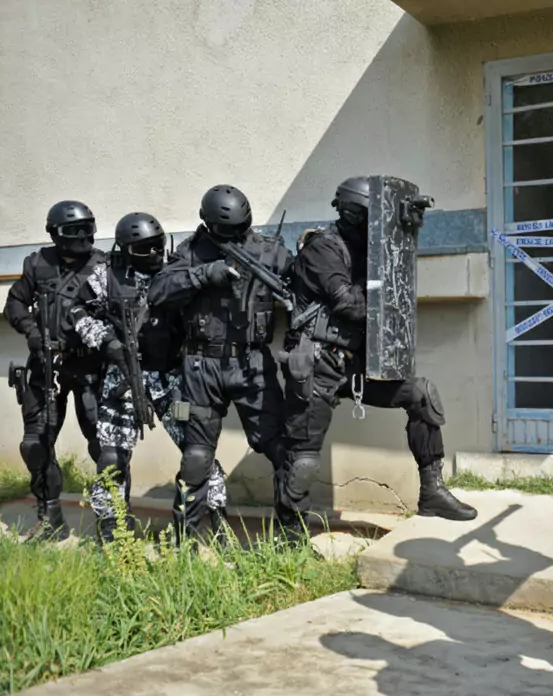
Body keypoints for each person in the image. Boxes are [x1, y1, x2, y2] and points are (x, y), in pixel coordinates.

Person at [276, 176, 477, 542]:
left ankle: (432, 494)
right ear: (355, 213)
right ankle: (289, 535)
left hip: (354, 362)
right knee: (303, 456)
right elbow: (350, 305)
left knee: (421, 395)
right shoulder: (323, 247)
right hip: (318, 362)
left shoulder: (373, 250)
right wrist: (386, 292)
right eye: (374, 216)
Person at [66, 212, 230, 544]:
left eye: (159, 246)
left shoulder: (176, 271)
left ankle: (213, 519)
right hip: (122, 378)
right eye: (145, 250)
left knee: (198, 451)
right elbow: (77, 312)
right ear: (125, 250)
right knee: (111, 456)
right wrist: (106, 341)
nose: (155, 254)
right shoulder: (105, 277)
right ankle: (112, 531)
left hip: (171, 378)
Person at [147, 185, 291, 545]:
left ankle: (291, 537)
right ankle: (185, 544)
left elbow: (304, 287)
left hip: (252, 361)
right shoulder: (191, 251)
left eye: (242, 227)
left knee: (282, 449)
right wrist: (201, 275)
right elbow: (158, 293)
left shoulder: (267, 251)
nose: (237, 236)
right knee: (196, 457)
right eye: (230, 230)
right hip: (201, 365)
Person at [3, 200, 107, 541]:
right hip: (46, 365)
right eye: (72, 231)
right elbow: (15, 302)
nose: (81, 236)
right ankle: (50, 519)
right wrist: (32, 332)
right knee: (36, 444)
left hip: (90, 365)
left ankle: (112, 520)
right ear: (55, 233)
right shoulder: (38, 264)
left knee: (105, 446)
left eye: (86, 228)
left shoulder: (104, 266)